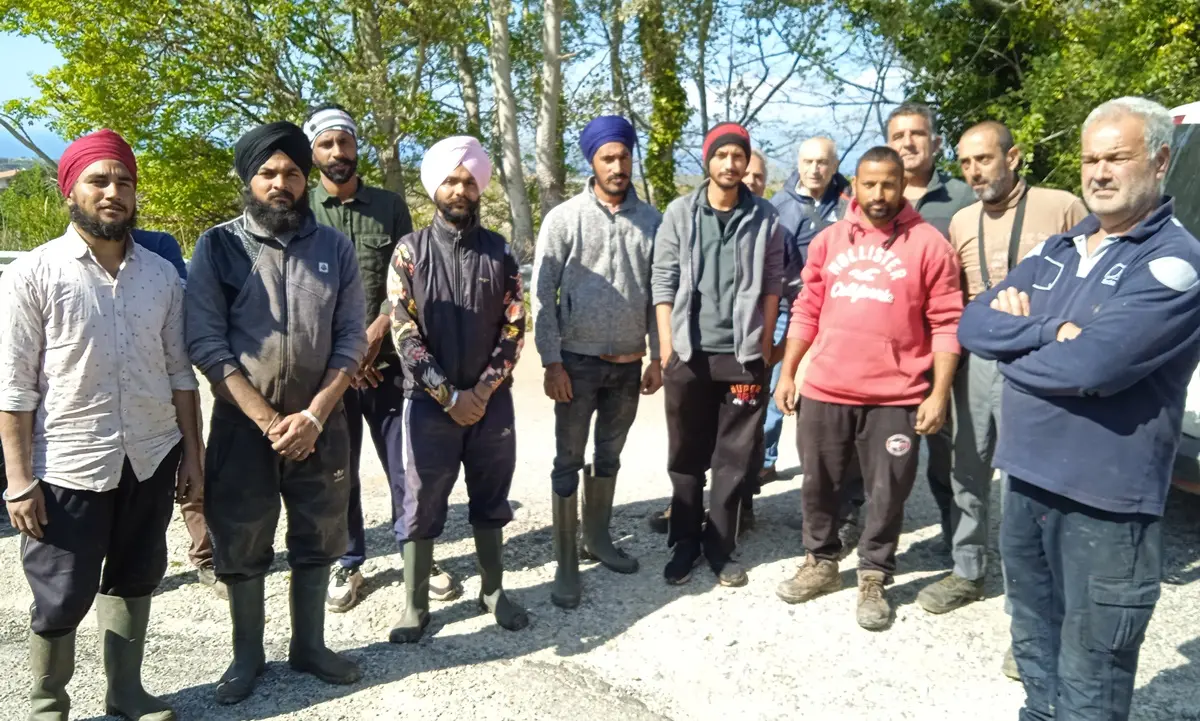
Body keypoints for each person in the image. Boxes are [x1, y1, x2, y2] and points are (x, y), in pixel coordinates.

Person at [958, 97, 1200, 721]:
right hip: (1026, 485)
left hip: (1106, 508)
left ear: (1161, 160)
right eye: (1090, 158)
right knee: (1036, 657)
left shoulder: (1173, 263)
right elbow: (975, 324)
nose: (1099, 172)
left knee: (1091, 679)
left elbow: (1093, 367)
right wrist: (1045, 334)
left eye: (1116, 157)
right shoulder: (1064, 248)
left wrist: (1024, 347)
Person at [1, 129, 204, 721]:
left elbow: (180, 375)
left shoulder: (163, 276)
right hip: (68, 462)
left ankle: (126, 693)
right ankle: (48, 705)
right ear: (72, 190)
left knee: (137, 575)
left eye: (124, 182)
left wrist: (192, 457)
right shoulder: (32, 275)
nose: (113, 192)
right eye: (98, 180)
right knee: (61, 593)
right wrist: (18, 480)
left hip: (150, 451)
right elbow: (13, 389)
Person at [186, 121, 367, 704]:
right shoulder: (218, 247)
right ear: (248, 179)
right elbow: (207, 343)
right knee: (240, 538)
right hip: (245, 426)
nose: (280, 183)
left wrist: (314, 415)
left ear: (305, 179)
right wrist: (269, 422)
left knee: (320, 534)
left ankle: (309, 647)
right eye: (268, 173)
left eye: (291, 172)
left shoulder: (335, 248)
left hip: (322, 423)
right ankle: (247, 656)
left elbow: (350, 340)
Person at [773, 146, 963, 631]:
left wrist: (938, 392)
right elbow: (807, 309)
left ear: (903, 185)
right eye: (869, 183)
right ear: (852, 184)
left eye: (888, 184)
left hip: (895, 397)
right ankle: (820, 560)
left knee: (887, 490)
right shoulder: (830, 240)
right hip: (827, 388)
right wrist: (790, 371)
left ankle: (874, 573)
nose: (878, 194)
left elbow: (946, 321)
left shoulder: (929, 244)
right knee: (819, 482)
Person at [917, 121, 1088, 657]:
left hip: (1041, 362)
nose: (974, 172)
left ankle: (1030, 613)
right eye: (966, 163)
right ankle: (968, 570)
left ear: (1012, 156)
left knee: (1028, 484)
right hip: (978, 362)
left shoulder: (1063, 207)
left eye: (984, 160)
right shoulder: (963, 219)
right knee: (967, 468)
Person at [303, 103, 460, 613]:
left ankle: (416, 551)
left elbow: (406, 276)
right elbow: (303, 293)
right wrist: (346, 354)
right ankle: (348, 561)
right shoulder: (302, 210)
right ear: (313, 153)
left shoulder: (389, 207)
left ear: (355, 147)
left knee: (405, 463)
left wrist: (373, 335)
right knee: (338, 469)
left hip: (389, 363)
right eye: (326, 145)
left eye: (343, 143)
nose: (337, 153)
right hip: (332, 372)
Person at [386, 136, 529, 643]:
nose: (461, 188)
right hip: (428, 405)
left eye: (469, 180)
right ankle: (414, 604)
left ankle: (493, 590)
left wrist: (483, 391)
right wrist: (449, 395)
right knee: (422, 502)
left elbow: (515, 327)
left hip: (491, 404)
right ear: (435, 187)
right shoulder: (410, 251)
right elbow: (403, 331)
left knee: (492, 498)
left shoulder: (501, 252)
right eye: (451, 179)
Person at [532, 115, 663, 608]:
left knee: (608, 455)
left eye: (625, 156)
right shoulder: (564, 219)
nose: (618, 166)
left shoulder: (651, 221)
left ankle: (598, 537)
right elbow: (542, 293)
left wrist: (656, 355)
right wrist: (551, 361)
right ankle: (566, 560)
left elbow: (659, 293)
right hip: (577, 364)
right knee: (567, 458)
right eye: (609, 157)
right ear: (592, 161)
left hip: (628, 366)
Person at [651, 122, 784, 587]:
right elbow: (663, 280)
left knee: (733, 457)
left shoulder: (765, 217)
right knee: (686, 453)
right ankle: (684, 539)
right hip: (688, 353)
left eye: (738, 156)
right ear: (708, 161)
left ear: (747, 162)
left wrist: (764, 343)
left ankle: (720, 545)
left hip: (742, 356)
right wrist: (668, 346)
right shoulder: (679, 213)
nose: (731, 164)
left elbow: (773, 284)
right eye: (722, 155)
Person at [886, 102, 975, 545]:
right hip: (889, 353)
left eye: (917, 134)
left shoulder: (962, 199)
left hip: (946, 350)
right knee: (878, 453)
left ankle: (956, 541)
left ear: (935, 142)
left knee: (949, 455)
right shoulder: (875, 198)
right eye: (899, 136)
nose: (908, 143)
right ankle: (865, 536)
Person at [129, 228, 229, 600]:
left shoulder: (158, 245)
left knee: (193, 469)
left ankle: (205, 556)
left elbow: (183, 302)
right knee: (125, 488)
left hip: (168, 382)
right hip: (105, 397)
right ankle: (129, 567)